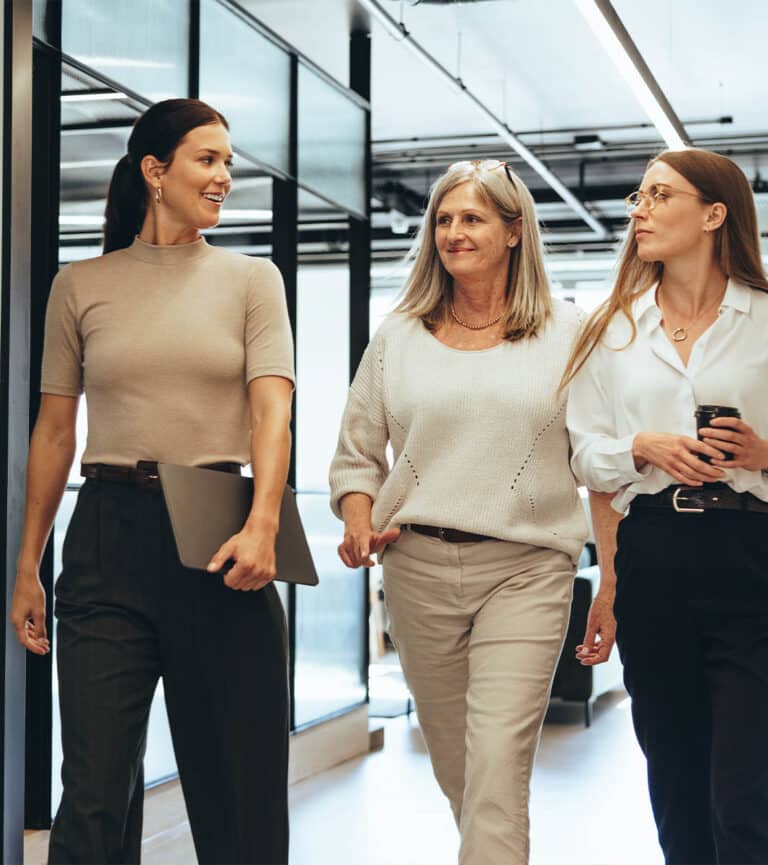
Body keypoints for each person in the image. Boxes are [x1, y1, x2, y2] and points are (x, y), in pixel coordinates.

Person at [9, 99, 295, 865]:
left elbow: (273, 416)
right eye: (208, 159)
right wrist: (27, 562)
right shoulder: (81, 285)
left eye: (229, 161)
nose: (225, 176)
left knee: (237, 792)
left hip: (217, 532)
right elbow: (55, 432)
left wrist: (265, 521)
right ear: (155, 171)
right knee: (95, 790)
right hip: (107, 534)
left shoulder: (251, 281)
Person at [329, 159, 588, 865]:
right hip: (416, 570)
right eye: (443, 219)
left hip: (528, 569)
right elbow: (357, 456)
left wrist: (616, 580)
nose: (453, 232)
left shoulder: (568, 332)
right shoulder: (400, 335)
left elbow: (601, 460)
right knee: (461, 773)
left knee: (498, 768)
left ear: (513, 230)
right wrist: (358, 518)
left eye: (471, 218)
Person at [565, 148, 768, 865]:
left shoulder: (765, 319)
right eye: (637, 197)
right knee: (676, 778)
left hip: (753, 554)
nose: (638, 209)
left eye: (658, 194)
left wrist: (762, 454)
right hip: (653, 552)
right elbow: (585, 457)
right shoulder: (611, 330)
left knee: (747, 791)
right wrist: (641, 447)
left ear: (714, 215)